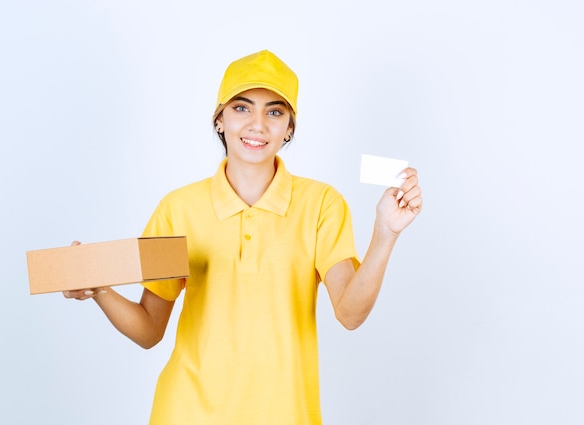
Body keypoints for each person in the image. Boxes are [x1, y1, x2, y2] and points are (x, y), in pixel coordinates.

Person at [64, 49, 422, 424]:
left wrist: (385, 233)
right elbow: (149, 330)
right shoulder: (179, 209)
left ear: (289, 128)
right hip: (186, 413)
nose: (257, 125)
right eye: (241, 108)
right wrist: (98, 289)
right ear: (220, 120)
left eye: (274, 111)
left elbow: (349, 314)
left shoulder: (321, 205)